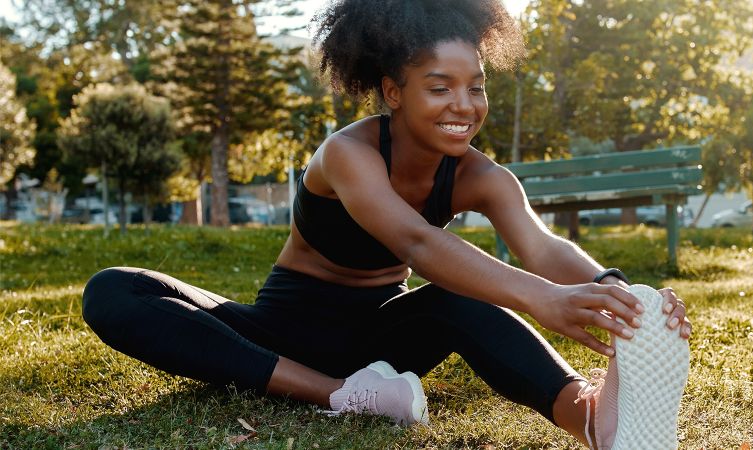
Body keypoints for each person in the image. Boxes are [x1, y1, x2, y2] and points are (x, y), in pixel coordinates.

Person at [80, 0, 690, 447]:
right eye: (439, 87)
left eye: (475, 87)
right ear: (392, 92)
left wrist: (621, 294)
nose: (464, 105)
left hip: (382, 343)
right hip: (277, 334)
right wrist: (543, 299)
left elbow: (541, 244)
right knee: (114, 289)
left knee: (463, 301)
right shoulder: (348, 153)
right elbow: (416, 241)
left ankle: (590, 416)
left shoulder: (482, 176)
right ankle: (341, 396)